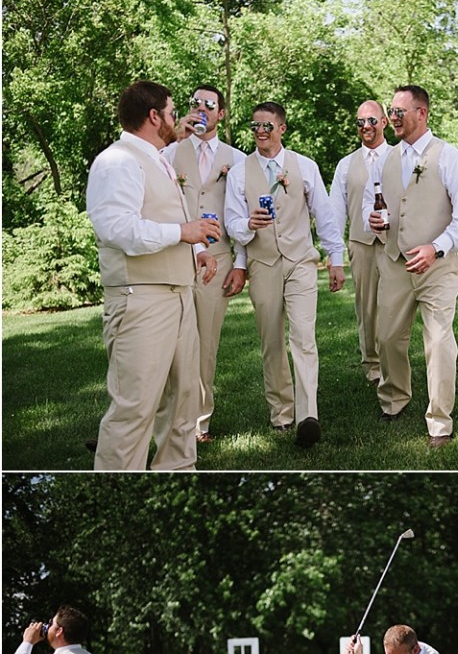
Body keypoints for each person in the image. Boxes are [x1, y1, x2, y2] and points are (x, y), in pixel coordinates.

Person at [86, 80, 220, 471]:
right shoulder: (117, 161)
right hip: (140, 299)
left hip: (178, 295)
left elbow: (164, 217)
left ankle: (178, 472)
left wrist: (197, 250)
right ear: (154, 116)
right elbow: (117, 229)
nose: (177, 119)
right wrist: (183, 233)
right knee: (135, 407)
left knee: (184, 404)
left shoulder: (158, 157)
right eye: (173, 112)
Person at [224, 102, 346, 448]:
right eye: (255, 127)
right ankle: (281, 413)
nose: (260, 132)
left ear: (282, 129)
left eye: (267, 126)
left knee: (304, 336)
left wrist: (335, 258)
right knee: (271, 341)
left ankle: (309, 416)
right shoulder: (238, 173)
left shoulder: (304, 167)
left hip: (300, 262)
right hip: (262, 265)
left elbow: (324, 215)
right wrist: (247, 225)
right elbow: (231, 221)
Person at [364, 86, 458, 449]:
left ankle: (439, 422)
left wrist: (436, 248)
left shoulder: (450, 157)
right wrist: (377, 221)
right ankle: (395, 398)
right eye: (391, 112)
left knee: (439, 341)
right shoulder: (386, 159)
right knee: (386, 338)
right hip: (395, 263)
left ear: (422, 113)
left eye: (400, 112)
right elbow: (378, 205)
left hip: (438, 266)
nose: (393, 118)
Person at [164, 84, 248, 443]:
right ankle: (167, 420)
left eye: (209, 104)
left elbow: (242, 213)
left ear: (221, 113)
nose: (201, 109)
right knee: (168, 342)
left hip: (218, 259)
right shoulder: (169, 153)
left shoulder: (238, 159)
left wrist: (241, 264)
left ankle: (199, 424)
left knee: (206, 344)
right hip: (174, 257)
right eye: (195, 103)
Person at [329, 100, 391, 385]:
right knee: (367, 307)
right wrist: (335, 258)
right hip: (361, 244)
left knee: (394, 306)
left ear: (385, 122)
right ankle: (372, 365)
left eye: (371, 120)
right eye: (360, 122)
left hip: (394, 244)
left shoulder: (399, 157)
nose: (366, 126)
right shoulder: (345, 165)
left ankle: (394, 362)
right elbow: (335, 212)